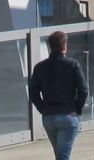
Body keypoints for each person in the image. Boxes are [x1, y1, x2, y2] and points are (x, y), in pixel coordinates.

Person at [29, 31, 89, 160]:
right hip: (67, 116)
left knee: (60, 155)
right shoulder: (72, 64)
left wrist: (44, 110)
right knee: (63, 156)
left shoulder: (39, 67)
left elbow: (33, 93)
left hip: (49, 118)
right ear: (64, 45)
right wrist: (77, 109)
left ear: (50, 46)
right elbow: (83, 90)